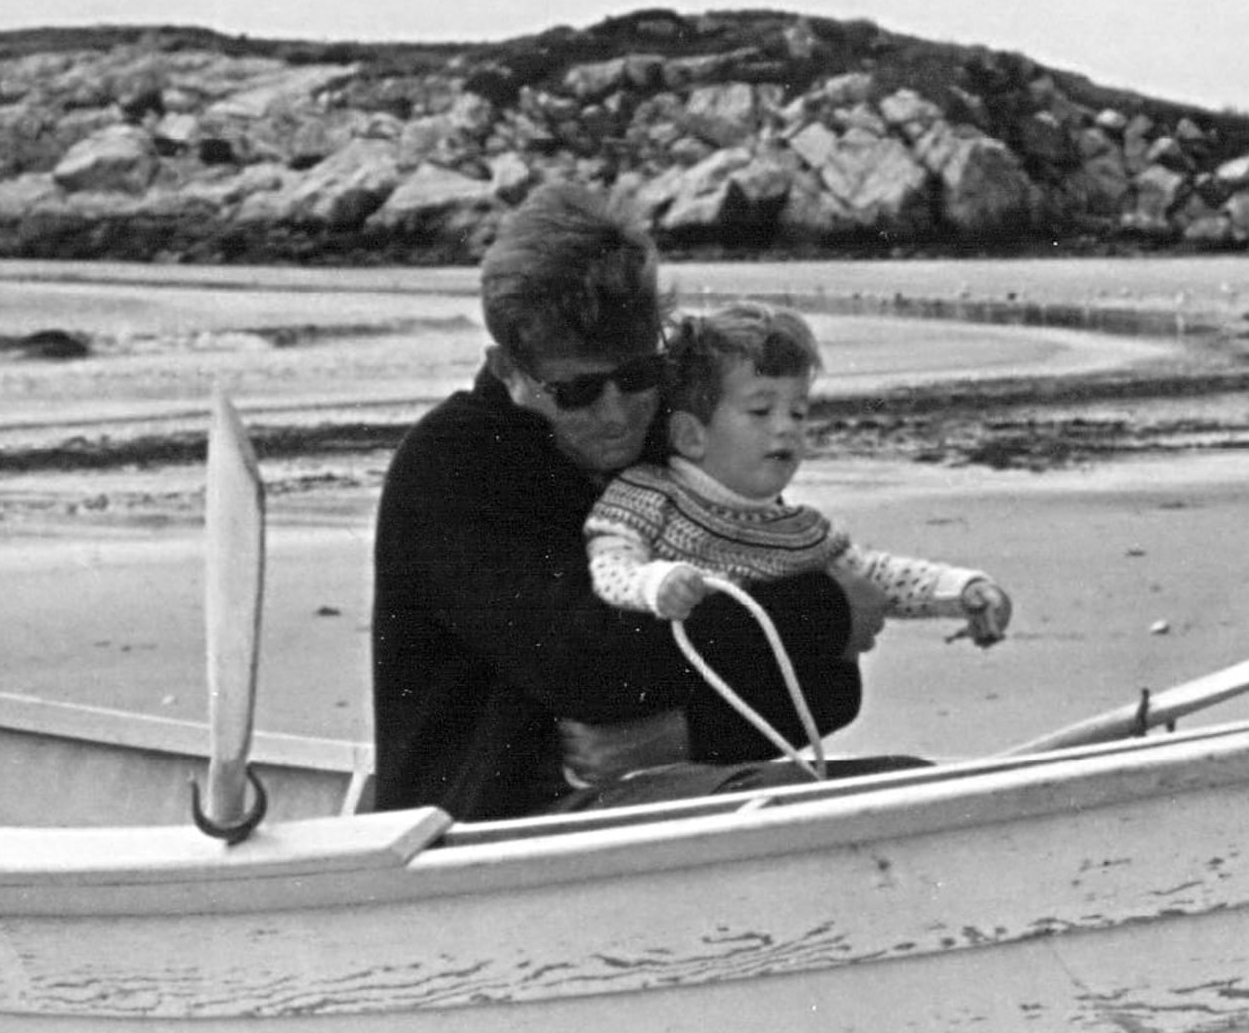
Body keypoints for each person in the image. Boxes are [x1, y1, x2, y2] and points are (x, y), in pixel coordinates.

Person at [367, 184, 871, 821]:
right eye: (577, 392)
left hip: (657, 787)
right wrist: (822, 607)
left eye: (637, 377)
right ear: (509, 369)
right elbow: (592, 668)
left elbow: (832, 686)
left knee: (900, 784)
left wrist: (684, 735)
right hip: (478, 819)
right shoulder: (454, 465)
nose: (616, 416)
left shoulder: (676, 435)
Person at [584, 306, 1015, 737]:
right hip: (647, 729)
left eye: (798, 413)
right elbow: (610, 564)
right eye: (761, 410)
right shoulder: (649, 495)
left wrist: (960, 590)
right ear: (691, 436)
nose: (786, 428)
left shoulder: (797, 531)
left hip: (747, 730)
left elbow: (873, 576)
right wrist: (654, 584)